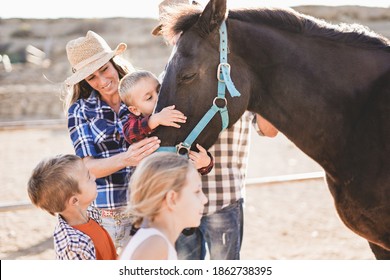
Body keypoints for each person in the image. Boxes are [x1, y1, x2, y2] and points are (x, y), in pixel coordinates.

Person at [153, 0, 279, 260]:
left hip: (223, 196)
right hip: (180, 197)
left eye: (180, 27)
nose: (176, 36)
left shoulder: (236, 71)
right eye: (170, 31)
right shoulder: (167, 77)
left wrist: (274, 88)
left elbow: (267, 130)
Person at [62, 30, 161, 251]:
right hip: (111, 215)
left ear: (113, 62)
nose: (102, 81)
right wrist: (127, 158)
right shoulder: (79, 110)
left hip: (150, 207)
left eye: (104, 69)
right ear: (84, 81)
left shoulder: (142, 91)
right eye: (91, 77)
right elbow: (88, 168)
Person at [118, 70, 214, 174]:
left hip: (181, 179)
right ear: (135, 110)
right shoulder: (134, 121)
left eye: (159, 90)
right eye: (149, 98)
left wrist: (206, 163)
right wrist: (154, 120)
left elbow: (194, 143)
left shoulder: (173, 112)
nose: (158, 97)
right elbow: (130, 134)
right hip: (152, 180)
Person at [119, 152, 208, 260]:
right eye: (197, 191)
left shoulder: (154, 241)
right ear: (172, 198)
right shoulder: (155, 246)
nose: (204, 199)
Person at [27, 154, 117, 260]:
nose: (94, 176)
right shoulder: (74, 246)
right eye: (88, 177)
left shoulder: (90, 214)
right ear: (74, 200)